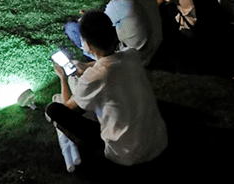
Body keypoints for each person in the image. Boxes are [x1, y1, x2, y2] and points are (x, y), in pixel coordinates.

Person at [46, 10, 168, 167]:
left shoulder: (94, 77)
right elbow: (112, 60)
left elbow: (68, 107)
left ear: (87, 45)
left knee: (54, 110)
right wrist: (85, 65)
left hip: (127, 155)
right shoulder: (132, 55)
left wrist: (63, 78)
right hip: (158, 141)